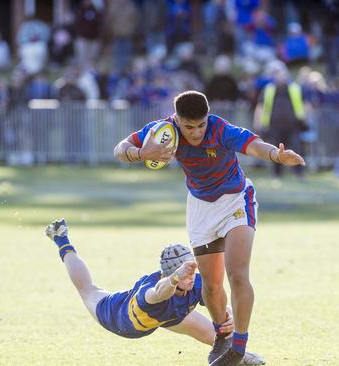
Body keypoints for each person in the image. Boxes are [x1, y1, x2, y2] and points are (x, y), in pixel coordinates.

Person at [114, 91, 305, 365]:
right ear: (177, 120)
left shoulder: (219, 129)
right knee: (212, 287)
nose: (196, 133)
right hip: (201, 209)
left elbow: (252, 144)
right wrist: (139, 153)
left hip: (235, 201)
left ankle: (238, 348)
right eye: (189, 127)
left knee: (237, 274)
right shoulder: (165, 131)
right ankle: (222, 338)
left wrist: (276, 155)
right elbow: (119, 149)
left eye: (201, 125)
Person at [43, 219, 265, 365]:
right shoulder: (153, 291)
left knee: (216, 332)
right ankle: (61, 238)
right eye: (184, 273)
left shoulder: (195, 281)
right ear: (170, 273)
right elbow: (159, 292)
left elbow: (218, 301)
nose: (191, 277)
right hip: (120, 317)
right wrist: (176, 277)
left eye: (191, 270)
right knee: (88, 289)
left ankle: (241, 355)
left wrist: (230, 316)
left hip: (166, 316)